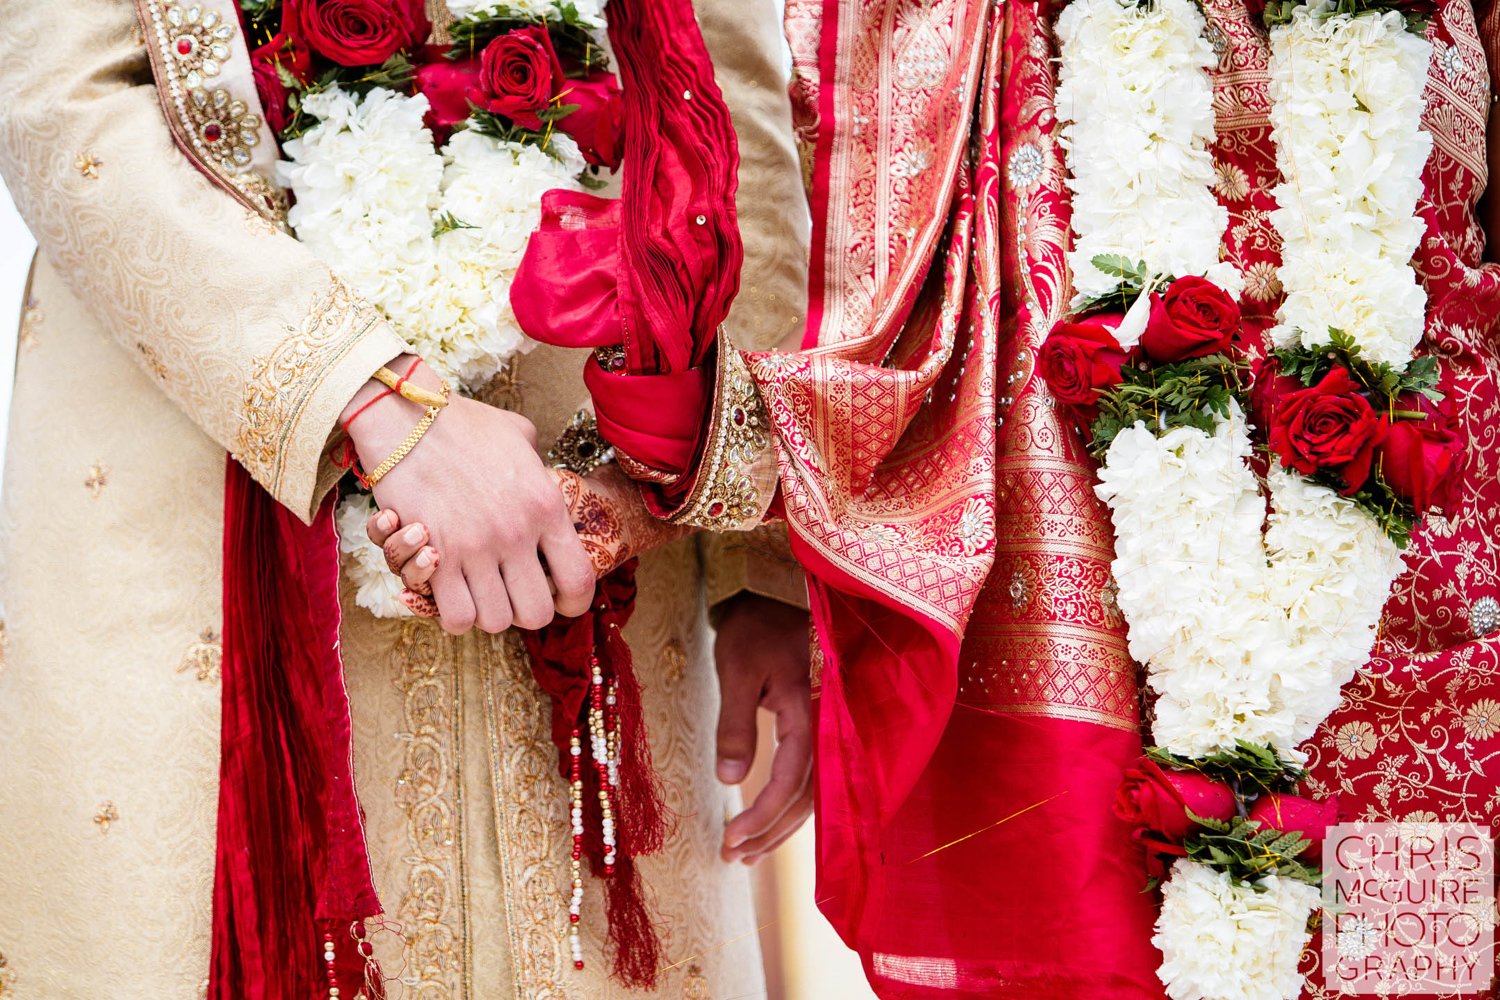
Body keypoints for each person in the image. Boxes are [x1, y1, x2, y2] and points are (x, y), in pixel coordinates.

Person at [384, 0, 1500, 997]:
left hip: (1422, 615)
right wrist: (704, 522)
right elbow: (830, 241)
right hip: (1073, 641)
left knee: (1422, 955)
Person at [0, 0, 813, 996]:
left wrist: (761, 563)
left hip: (593, 501)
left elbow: (733, 122)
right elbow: (66, 103)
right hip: (210, 478)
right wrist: (368, 395)